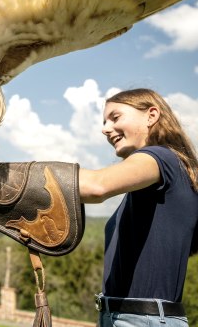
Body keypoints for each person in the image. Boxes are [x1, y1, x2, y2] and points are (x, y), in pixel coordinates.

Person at [78, 88, 198, 326]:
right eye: (104, 121)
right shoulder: (166, 172)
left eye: (115, 117)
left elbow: (96, 186)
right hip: (131, 316)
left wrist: (7, 177)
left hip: (143, 319)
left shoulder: (160, 157)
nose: (104, 128)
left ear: (151, 116)